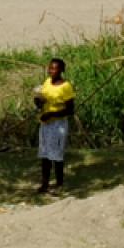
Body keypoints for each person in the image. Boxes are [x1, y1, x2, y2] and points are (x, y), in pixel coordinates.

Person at [33, 57, 76, 194]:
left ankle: (59, 183)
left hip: (58, 125)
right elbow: (44, 99)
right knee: (45, 155)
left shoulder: (66, 86)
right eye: (50, 68)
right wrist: (39, 102)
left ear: (61, 70)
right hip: (45, 123)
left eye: (54, 68)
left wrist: (52, 114)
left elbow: (70, 110)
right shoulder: (47, 82)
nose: (51, 71)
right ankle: (45, 183)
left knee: (57, 155)